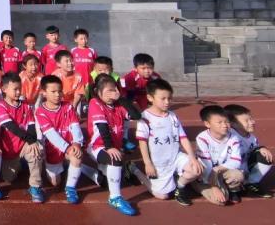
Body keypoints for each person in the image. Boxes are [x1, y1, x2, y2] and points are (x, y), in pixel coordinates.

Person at [126, 78, 202, 206]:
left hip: (175, 157)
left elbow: (183, 138)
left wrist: (192, 158)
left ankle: (180, 187)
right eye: (163, 99)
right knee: (162, 196)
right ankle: (134, 170)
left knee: (197, 169)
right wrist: (148, 164)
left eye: (169, 98)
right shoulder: (145, 118)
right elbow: (142, 143)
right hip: (158, 163)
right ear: (150, 98)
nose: (167, 102)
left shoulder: (172, 116)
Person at [86, 74, 141, 216]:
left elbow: (136, 116)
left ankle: (84, 169)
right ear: (98, 92)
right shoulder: (95, 103)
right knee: (115, 159)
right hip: (98, 146)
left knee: (105, 182)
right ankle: (115, 198)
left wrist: (121, 99)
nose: (113, 93)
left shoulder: (119, 105)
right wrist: (110, 148)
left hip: (112, 147)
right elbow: (103, 128)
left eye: (115, 90)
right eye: (109, 90)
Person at [0, 73, 46, 203]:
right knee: (9, 178)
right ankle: (21, 163)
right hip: (9, 150)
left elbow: (31, 126)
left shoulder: (26, 106)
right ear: (4, 89)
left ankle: (35, 187)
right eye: (15, 89)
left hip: (23, 145)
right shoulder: (0, 106)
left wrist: (32, 141)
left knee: (36, 150)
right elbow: (11, 127)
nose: (19, 92)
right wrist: (30, 139)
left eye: (20, 89)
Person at [35, 75, 84, 204]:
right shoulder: (40, 111)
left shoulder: (68, 106)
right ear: (44, 93)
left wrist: (77, 143)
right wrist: (67, 147)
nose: (57, 95)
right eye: (53, 91)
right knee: (55, 183)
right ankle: (57, 166)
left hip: (69, 147)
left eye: (59, 91)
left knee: (77, 156)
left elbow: (75, 126)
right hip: (53, 150)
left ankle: (70, 188)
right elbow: (51, 135)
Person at [195, 105, 246, 204]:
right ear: (207, 124)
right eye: (219, 122)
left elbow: (236, 161)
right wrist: (214, 187)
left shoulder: (234, 136)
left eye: (227, 121)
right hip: (206, 174)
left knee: (238, 175)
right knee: (221, 201)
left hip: (220, 171)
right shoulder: (202, 138)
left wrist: (218, 169)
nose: (225, 125)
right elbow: (206, 165)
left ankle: (232, 189)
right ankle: (197, 185)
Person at [224, 104, 273, 198]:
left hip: (244, 169)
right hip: (231, 170)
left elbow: (254, 150)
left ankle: (252, 182)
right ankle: (230, 186)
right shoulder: (229, 136)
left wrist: (261, 148)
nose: (252, 122)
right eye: (246, 121)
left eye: (251, 119)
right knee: (236, 191)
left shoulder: (252, 138)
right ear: (232, 124)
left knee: (265, 155)